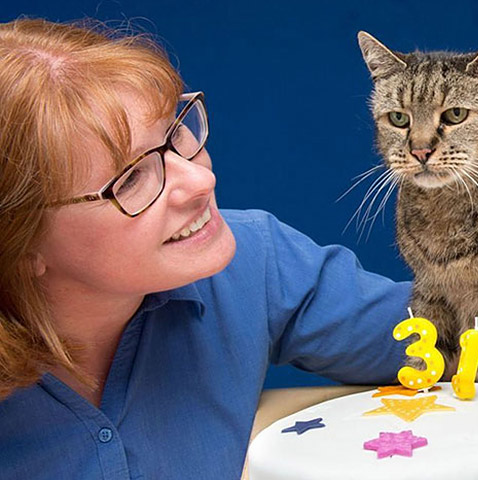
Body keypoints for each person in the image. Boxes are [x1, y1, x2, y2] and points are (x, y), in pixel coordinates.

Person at [0, 18, 411, 479]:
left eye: (176, 134)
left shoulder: (255, 263)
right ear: (20, 240)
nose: (201, 180)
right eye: (132, 179)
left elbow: (466, 334)